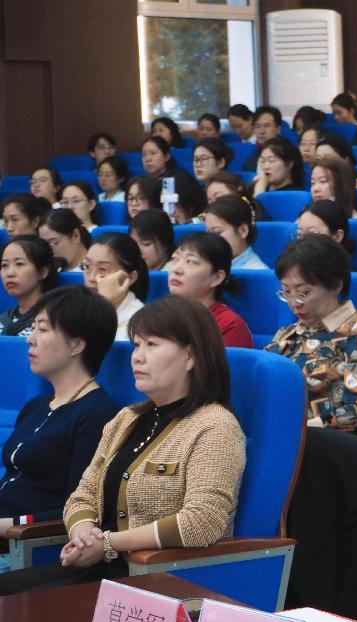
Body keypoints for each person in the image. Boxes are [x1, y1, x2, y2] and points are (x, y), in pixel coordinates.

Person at [0, 295, 246, 595]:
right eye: (136, 345)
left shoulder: (215, 425)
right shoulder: (126, 419)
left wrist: (107, 542)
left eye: (152, 345)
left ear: (191, 356)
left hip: (161, 579)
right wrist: (83, 533)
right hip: (101, 568)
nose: (137, 357)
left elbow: (203, 522)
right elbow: (82, 496)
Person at [0, 286, 117, 539]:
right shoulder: (36, 406)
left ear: (76, 344)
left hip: (27, 542)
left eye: (42, 329)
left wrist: (9, 525)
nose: (30, 339)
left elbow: (78, 507)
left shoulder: (97, 415)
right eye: (33, 328)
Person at [266, 235, 357, 431]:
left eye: (303, 293)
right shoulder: (286, 333)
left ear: (336, 285)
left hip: (318, 439)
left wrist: (299, 430)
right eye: (286, 292)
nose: (294, 303)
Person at [167, 232, 253, 348]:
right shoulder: (162, 316)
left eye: (190, 261)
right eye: (174, 259)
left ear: (217, 277)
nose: (176, 270)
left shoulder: (229, 325)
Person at [82, 233, 149, 341]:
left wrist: (104, 304)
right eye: (87, 266)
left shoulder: (140, 320)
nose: (91, 278)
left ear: (130, 277)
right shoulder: (78, 307)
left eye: (102, 269)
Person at [0, 236, 59, 337]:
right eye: (4, 265)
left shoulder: (56, 320)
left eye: (19, 264)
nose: (9, 273)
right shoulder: (4, 319)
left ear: (42, 272)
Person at [140, 136, 202, 223]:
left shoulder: (179, 177)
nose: (148, 159)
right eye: (144, 155)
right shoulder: (144, 182)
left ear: (167, 156)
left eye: (153, 153)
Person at [203, 194, 267, 270]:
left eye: (217, 232)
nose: (210, 240)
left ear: (243, 231)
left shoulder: (256, 271)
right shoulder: (207, 266)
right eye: (208, 233)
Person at [243, 106, 285, 172]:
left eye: (267, 126)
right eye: (257, 126)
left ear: (278, 129)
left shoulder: (287, 154)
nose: (261, 131)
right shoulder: (252, 157)